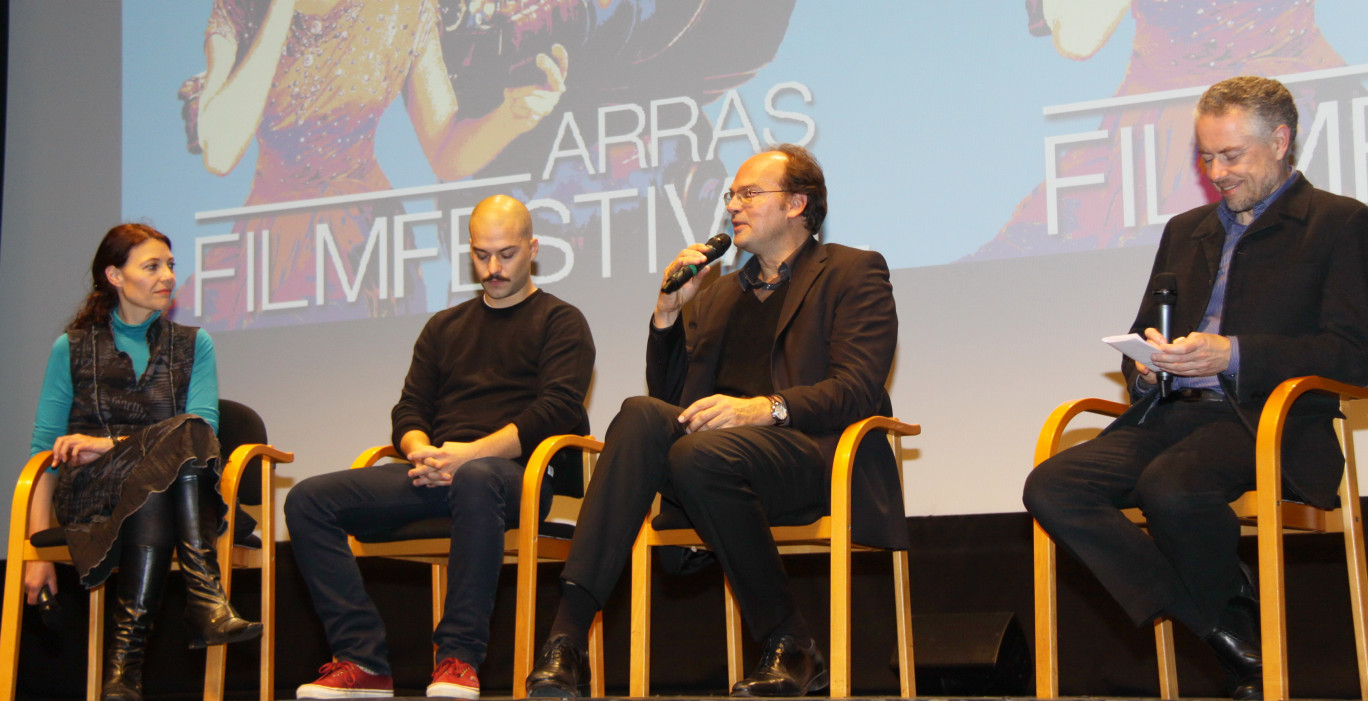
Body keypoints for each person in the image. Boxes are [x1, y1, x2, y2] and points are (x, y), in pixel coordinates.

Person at [1023, 76, 1368, 700]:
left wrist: (1231, 354)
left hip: (1269, 421)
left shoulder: (1340, 224)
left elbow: (1353, 353)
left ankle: (1230, 632)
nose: (1216, 172)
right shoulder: (1187, 229)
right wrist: (1145, 365)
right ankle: (1225, 628)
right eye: (1205, 157)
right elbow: (1146, 329)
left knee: (1173, 486)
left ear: (1282, 141)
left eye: (1231, 156)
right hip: (1173, 416)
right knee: (1053, 485)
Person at [524, 144, 905, 698]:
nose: (733, 206)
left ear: (798, 203)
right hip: (710, 465)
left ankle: (787, 639)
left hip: (816, 456)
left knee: (697, 453)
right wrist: (669, 313)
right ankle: (567, 641)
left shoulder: (852, 272)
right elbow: (671, 400)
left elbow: (858, 387)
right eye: (731, 195)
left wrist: (763, 409)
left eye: (749, 193)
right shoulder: (720, 291)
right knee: (637, 415)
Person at [284, 195, 595, 698]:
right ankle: (362, 659)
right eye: (481, 254)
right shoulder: (444, 327)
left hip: (519, 478)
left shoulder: (561, 321)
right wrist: (421, 451)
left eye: (507, 254)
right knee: (307, 499)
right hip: (439, 471)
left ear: (533, 248)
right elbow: (408, 410)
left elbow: (556, 411)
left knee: (475, 479)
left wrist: (467, 456)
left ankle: (458, 658)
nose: (492, 268)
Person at [187, 0, 568, 329]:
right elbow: (220, 153)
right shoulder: (241, 10)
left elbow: (447, 155)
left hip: (366, 240)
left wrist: (512, 117)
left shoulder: (403, 8)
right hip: (272, 240)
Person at [25, 223, 260, 701]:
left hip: (165, 496)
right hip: (92, 497)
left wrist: (107, 443)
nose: (168, 276)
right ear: (114, 275)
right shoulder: (70, 348)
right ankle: (205, 596)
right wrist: (33, 547)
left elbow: (206, 431)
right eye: (152, 266)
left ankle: (123, 674)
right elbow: (44, 450)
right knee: (169, 460)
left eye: (171, 265)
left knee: (172, 461)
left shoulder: (195, 344)